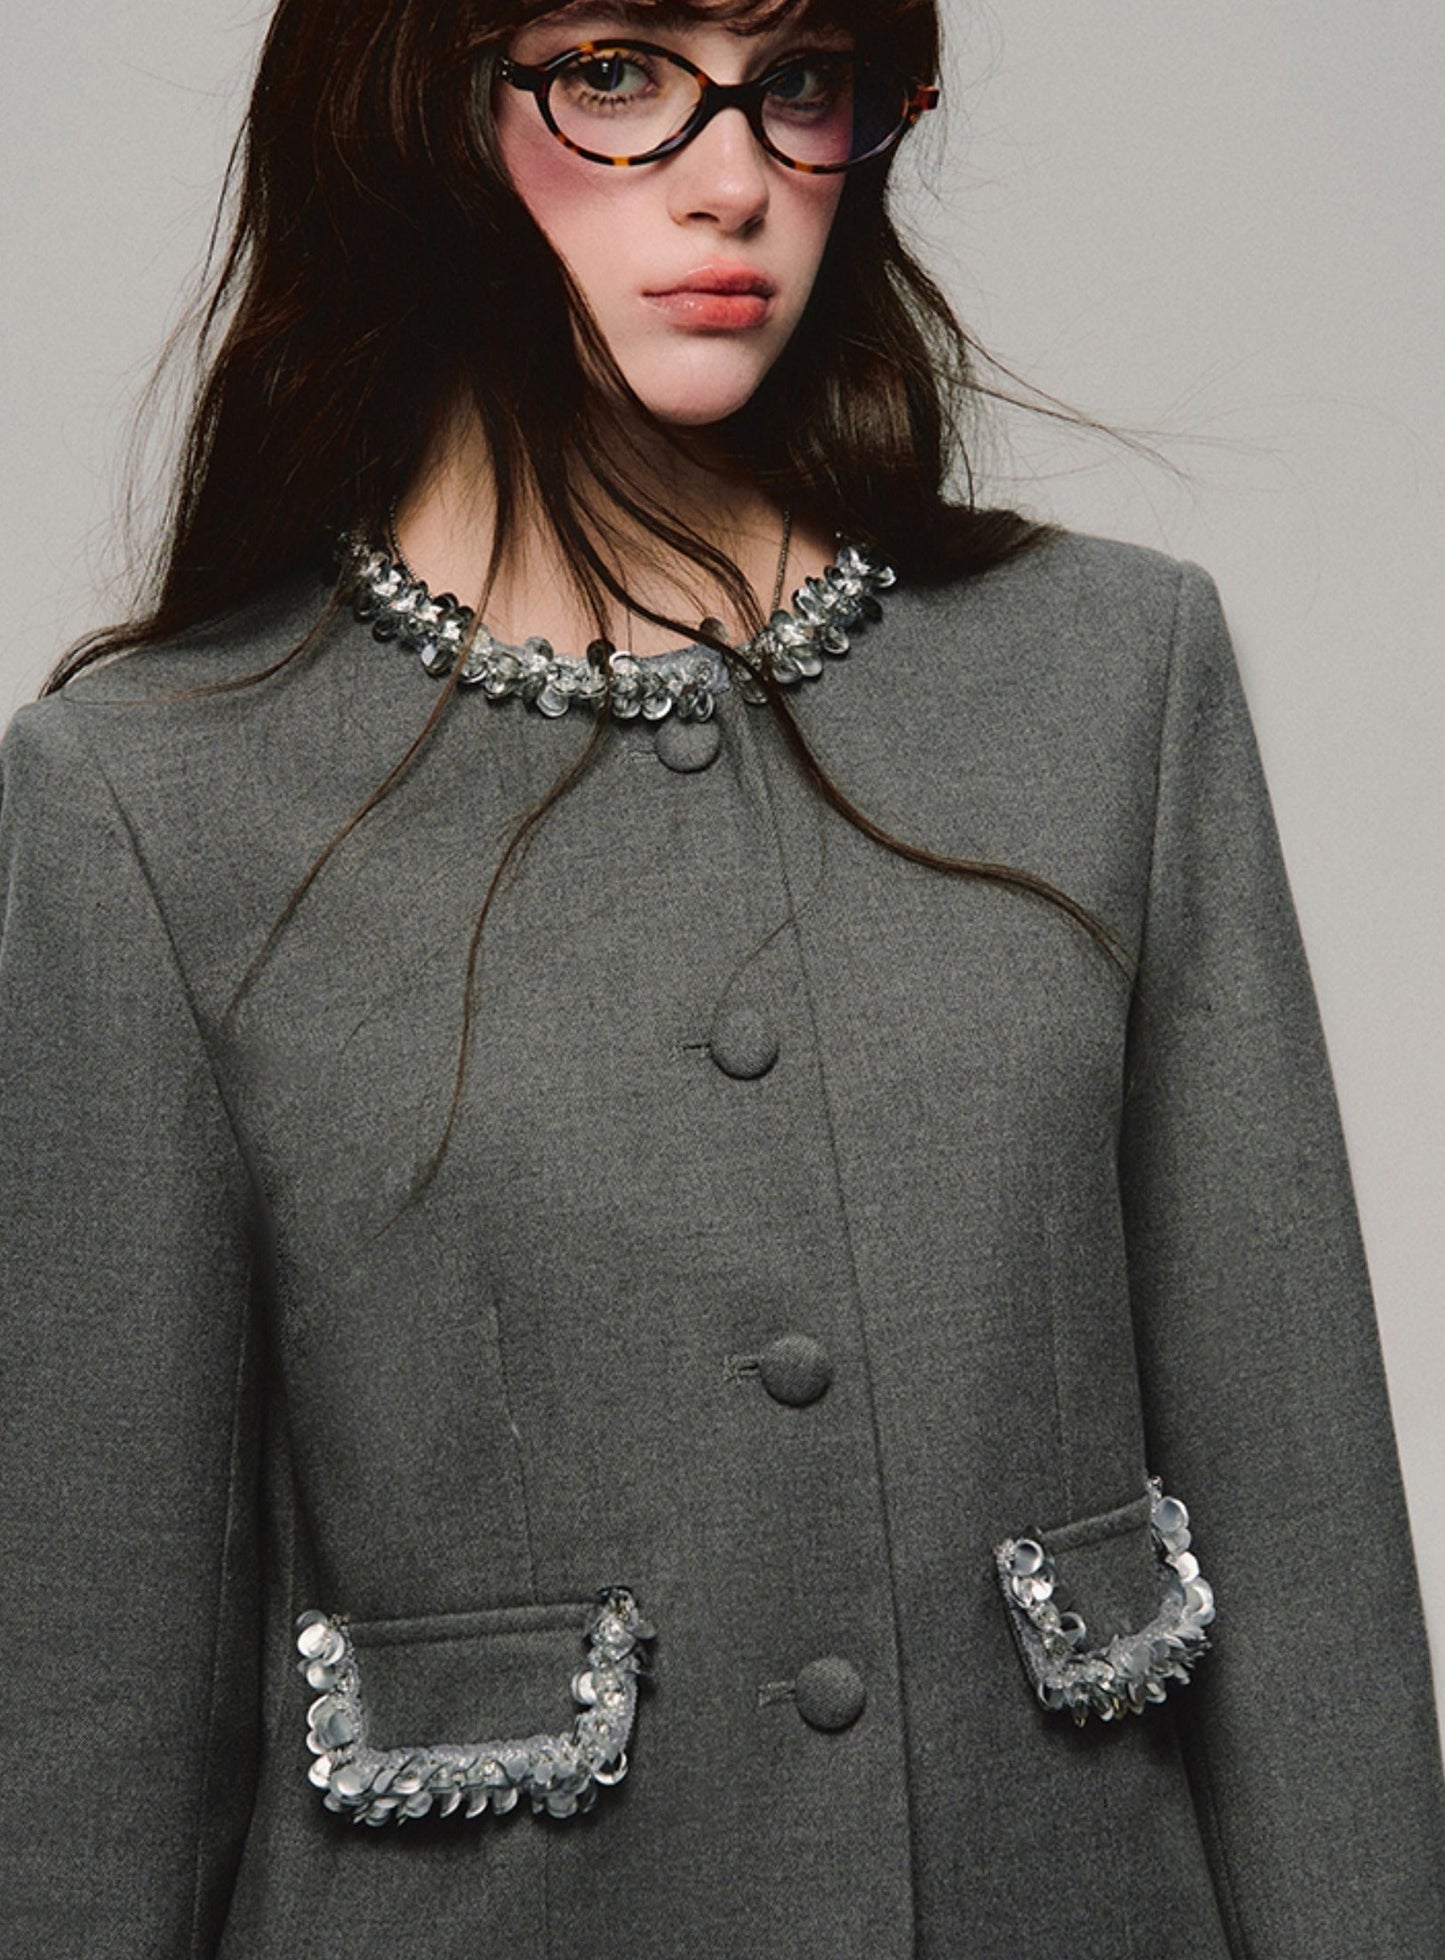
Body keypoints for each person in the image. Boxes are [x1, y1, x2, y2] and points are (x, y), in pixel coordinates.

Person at [2, 0, 1442, 1953]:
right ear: (410, 101)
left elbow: (1310, 1573)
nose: (736, 177)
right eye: (615, 73)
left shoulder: (1114, 678)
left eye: (798, 81)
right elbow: (84, 1729)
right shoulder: (153, 795)